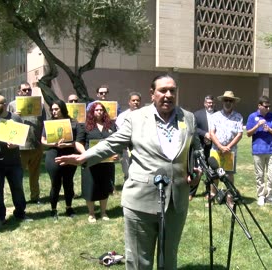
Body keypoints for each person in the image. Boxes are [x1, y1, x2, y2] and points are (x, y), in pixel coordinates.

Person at [55, 74, 202, 270]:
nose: (168, 95)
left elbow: (195, 149)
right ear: (152, 94)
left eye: (172, 91)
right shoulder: (136, 118)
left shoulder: (188, 117)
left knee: (169, 259)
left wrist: (196, 170)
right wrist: (84, 157)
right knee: (139, 261)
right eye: (163, 90)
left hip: (176, 201)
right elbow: (112, 143)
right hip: (141, 200)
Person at [0, 95, 29, 226]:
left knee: (18, 188)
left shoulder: (15, 118)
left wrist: (16, 144)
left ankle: (20, 213)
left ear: (4, 104)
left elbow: (22, 137)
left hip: (14, 162)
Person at [76, 102, 117, 223]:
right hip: (90, 161)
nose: (99, 112)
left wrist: (115, 154)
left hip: (106, 161)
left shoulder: (110, 125)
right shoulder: (84, 126)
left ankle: (104, 212)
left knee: (104, 186)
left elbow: (115, 142)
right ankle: (91, 213)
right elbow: (78, 142)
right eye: (96, 110)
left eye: (101, 110)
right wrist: (85, 154)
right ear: (92, 112)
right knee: (90, 186)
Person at [7, 82, 46, 204]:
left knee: (35, 174)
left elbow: (45, 123)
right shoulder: (12, 105)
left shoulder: (39, 105)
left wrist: (43, 140)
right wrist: (13, 116)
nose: (27, 92)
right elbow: (6, 124)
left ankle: (35, 197)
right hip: (20, 147)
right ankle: (20, 199)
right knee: (19, 175)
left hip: (36, 145)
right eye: (24, 90)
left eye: (29, 90)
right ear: (19, 92)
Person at [41, 100, 80, 219]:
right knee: (55, 183)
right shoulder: (49, 123)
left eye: (56, 109)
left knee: (68, 182)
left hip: (69, 154)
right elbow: (42, 140)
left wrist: (67, 145)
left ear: (62, 109)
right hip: (53, 154)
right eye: (52, 109)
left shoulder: (73, 123)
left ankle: (69, 207)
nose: (54, 111)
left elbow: (78, 141)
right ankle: (53, 209)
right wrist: (54, 143)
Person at [246, 96, 272, 206]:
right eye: (266, 107)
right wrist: (257, 126)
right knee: (259, 174)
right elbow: (248, 133)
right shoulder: (252, 116)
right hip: (258, 150)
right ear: (259, 106)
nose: (268, 109)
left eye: (269, 107)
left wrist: (269, 129)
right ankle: (261, 196)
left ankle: (270, 195)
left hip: (270, 149)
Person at [209, 91, 243, 207]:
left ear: (233, 103)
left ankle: (229, 198)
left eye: (230, 101)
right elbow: (212, 133)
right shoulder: (215, 116)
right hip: (216, 149)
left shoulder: (238, 117)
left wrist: (228, 147)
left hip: (230, 151)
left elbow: (239, 134)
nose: (228, 103)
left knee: (229, 175)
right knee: (214, 174)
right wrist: (220, 146)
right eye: (226, 100)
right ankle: (213, 196)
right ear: (222, 101)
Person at [189, 95, 216, 201]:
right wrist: (205, 134)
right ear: (205, 103)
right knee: (198, 169)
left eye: (212, 102)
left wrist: (212, 137)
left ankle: (208, 191)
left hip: (213, 146)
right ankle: (191, 192)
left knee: (210, 170)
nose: (210, 104)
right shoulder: (197, 114)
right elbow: (194, 129)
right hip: (200, 145)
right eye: (208, 102)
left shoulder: (218, 114)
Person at [116, 92, 142, 181]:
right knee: (127, 169)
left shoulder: (145, 115)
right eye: (133, 100)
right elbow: (120, 131)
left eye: (137, 100)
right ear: (129, 102)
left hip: (141, 147)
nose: (135, 102)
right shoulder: (122, 116)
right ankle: (127, 182)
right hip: (126, 147)